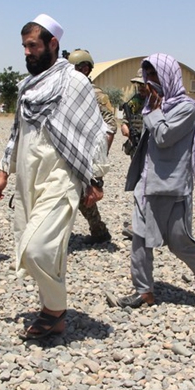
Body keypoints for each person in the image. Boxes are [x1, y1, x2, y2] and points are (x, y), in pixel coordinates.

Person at [0, 14, 109, 339]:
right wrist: (3, 172)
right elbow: (16, 131)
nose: (27, 52)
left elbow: (94, 133)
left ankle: (56, 308)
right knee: (45, 245)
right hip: (29, 176)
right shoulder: (28, 86)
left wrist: (94, 179)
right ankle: (51, 313)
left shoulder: (75, 82)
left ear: (52, 44)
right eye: (24, 46)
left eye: (33, 45)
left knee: (37, 248)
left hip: (61, 175)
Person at [105, 53, 195, 308]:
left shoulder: (186, 107)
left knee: (178, 242)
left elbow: (164, 136)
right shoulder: (152, 105)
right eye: (148, 75)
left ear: (168, 75)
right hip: (147, 183)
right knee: (140, 238)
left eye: (154, 74)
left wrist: (153, 113)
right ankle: (144, 292)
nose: (149, 81)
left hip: (173, 186)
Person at [67, 48, 116, 244]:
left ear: (86, 68)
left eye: (77, 68)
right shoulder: (65, 90)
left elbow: (110, 128)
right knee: (74, 192)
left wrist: (98, 168)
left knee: (83, 193)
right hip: (68, 149)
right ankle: (99, 231)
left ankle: (99, 231)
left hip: (87, 152)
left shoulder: (96, 95)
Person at [119, 69, 148, 240]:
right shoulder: (134, 102)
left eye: (144, 85)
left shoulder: (158, 102)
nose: (141, 88)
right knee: (139, 185)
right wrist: (124, 126)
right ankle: (139, 222)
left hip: (152, 149)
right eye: (139, 85)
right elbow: (125, 120)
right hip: (136, 148)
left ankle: (147, 224)